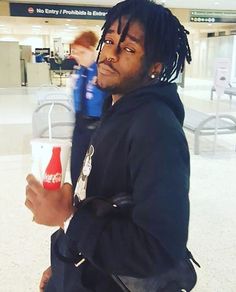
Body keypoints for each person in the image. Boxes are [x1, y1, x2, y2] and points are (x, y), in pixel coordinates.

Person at [25, 0, 200, 291]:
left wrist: (67, 218)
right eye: (108, 40)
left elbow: (158, 250)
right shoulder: (113, 108)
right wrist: (65, 264)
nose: (109, 54)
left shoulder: (156, 128)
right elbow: (98, 200)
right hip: (86, 270)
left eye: (129, 49)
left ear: (154, 67)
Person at [69, 31, 107, 187]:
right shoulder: (80, 71)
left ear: (93, 50)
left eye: (82, 52)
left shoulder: (103, 72)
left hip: (98, 124)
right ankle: (75, 197)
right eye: (75, 52)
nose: (77, 56)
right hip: (80, 122)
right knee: (76, 164)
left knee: (94, 167)